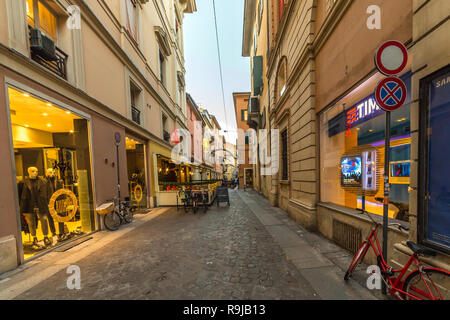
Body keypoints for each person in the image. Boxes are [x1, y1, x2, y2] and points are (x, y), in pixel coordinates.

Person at [20, 167, 52, 249]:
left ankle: (46, 236)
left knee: (44, 220)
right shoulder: (23, 182)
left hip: (41, 204)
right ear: (28, 172)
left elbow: (48, 193)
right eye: (33, 171)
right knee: (31, 223)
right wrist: (21, 206)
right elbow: (19, 194)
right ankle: (34, 238)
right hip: (28, 205)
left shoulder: (43, 181)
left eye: (36, 171)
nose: (35, 173)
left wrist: (48, 203)